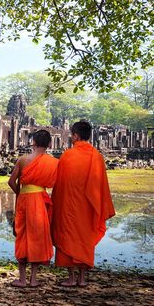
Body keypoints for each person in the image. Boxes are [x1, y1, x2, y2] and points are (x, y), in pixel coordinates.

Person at [51, 121, 115, 286]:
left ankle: (71, 278)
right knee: (84, 239)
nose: (71, 137)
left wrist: (56, 204)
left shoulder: (67, 155)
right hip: (88, 208)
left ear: (76, 136)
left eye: (72, 135)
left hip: (69, 206)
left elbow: (60, 184)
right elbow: (101, 186)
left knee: (68, 237)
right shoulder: (97, 156)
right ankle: (82, 279)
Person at [8, 129, 59, 287]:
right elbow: (55, 183)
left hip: (25, 199)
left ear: (33, 142)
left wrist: (22, 192)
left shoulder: (23, 159)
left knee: (22, 235)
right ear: (49, 144)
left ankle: (22, 279)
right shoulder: (53, 162)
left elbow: (11, 182)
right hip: (40, 200)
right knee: (37, 236)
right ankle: (33, 279)